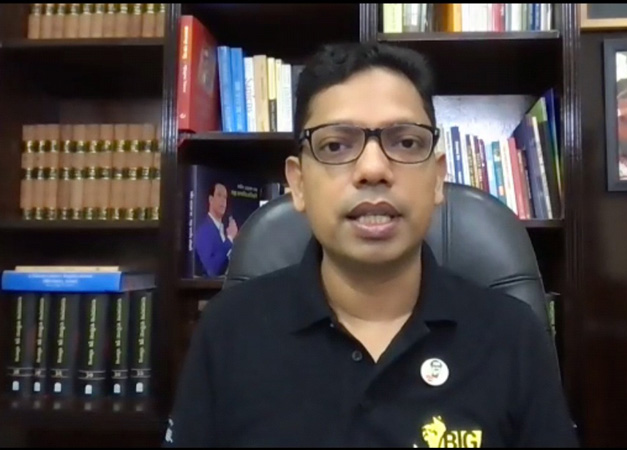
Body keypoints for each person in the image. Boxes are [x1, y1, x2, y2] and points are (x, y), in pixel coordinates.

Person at [163, 42, 578, 448]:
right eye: (336, 145)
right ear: (298, 183)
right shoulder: (228, 331)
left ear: (437, 178)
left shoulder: (511, 336)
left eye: (406, 142)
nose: (374, 169)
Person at [193, 181, 238, 277]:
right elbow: (210, 270)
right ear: (211, 199)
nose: (223, 201)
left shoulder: (224, 230)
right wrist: (230, 239)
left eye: (225, 197)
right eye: (219, 195)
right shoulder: (204, 230)